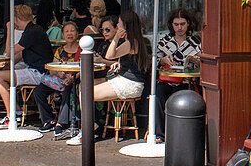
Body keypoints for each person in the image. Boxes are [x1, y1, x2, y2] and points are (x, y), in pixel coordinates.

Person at [83, 11, 152, 146]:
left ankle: (88, 129)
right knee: (83, 86)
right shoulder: (135, 41)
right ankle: (94, 123)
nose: (118, 25)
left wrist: (115, 38)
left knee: (85, 93)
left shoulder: (130, 43)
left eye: (119, 23)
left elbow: (109, 55)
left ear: (125, 26)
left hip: (128, 83)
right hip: (127, 80)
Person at [0, 4, 52, 127]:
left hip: (39, 72)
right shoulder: (32, 29)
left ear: (15, 18)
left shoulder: (31, 31)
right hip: (36, 70)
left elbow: (9, 52)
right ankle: (15, 110)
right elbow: (18, 55)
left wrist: (9, 31)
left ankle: (11, 115)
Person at [34, 21, 99, 138]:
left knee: (68, 88)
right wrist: (59, 73)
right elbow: (53, 68)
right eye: (66, 31)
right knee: (39, 91)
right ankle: (48, 120)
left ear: (77, 33)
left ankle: (61, 122)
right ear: (63, 35)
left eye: (72, 31)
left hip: (76, 79)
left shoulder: (83, 49)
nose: (70, 34)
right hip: (61, 80)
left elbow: (86, 67)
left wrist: (73, 77)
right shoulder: (59, 51)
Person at [151, 8, 202, 141]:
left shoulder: (195, 42)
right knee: (159, 94)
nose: (180, 28)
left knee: (186, 97)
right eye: (176, 24)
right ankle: (160, 134)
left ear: (188, 24)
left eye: (183, 24)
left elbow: (203, 63)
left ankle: (184, 134)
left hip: (186, 81)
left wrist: (196, 61)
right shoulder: (164, 41)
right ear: (171, 25)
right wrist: (163, 60)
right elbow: (155, 61)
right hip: (167, 80)